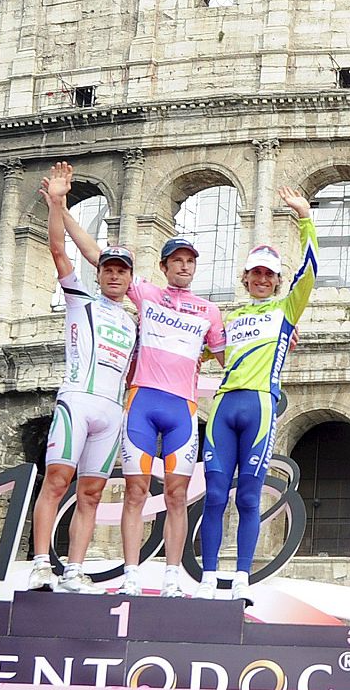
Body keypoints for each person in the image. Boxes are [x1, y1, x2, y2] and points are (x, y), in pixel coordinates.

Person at [56, 163, 226, 597]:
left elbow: (229, 355)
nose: (184, 267)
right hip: (142, 403)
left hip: (182, 409)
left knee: (176, 493)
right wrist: (61, 206)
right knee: (134, 490)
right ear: (166, 265)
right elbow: (97, 256)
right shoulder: (145, 292)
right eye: (177, 261)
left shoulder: (210, 311)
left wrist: (284, 336)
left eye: (190, 261)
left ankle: (171, 577)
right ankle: (132, 574)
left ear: (195, 267)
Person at [196, 188, 316, 602]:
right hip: (225, 407)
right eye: (256, 274)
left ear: (278, 281)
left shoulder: (286, 311)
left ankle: (242, 579)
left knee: (248, 495)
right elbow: (203, 354)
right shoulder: (227, 317)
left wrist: (304, 218)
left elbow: (311, 272)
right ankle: (209, 578)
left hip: (260, 405)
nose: (262, 280)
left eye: (269, 274)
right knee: (213, 495)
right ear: (245, 278)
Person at [28, 164, 138, 594]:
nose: (113, 274)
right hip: (77, 401)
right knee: (56, 481)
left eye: (121, 270)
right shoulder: (80, 300)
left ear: (130, 278)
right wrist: (58, 204)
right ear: (99, 273)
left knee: (91, 493)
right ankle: (40, 564)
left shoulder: (135, 321)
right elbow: (58, 251)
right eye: (107, 268)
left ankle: (74, 569)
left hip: (112, 413)